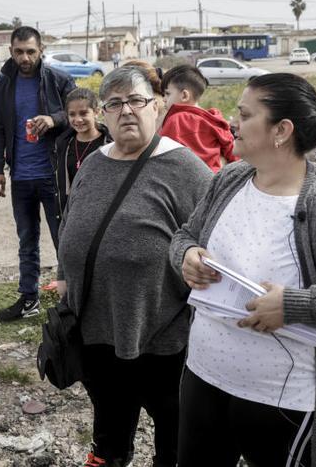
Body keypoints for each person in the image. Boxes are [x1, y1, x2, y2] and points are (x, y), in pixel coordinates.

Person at [170, 73, 316, 467]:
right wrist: (187, 255)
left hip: (281, 399)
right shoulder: (228, 179)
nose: (231, 124)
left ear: (282, 130)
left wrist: (293, 306)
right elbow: (185, 234)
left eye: (244, 114)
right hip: (204, 376)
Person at [56, 66, 212, 467]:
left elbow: (213, 242)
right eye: (115, 103)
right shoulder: (93, 163)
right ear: (103, 114)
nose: (126, 110)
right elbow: (72, 223)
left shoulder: (185, 168)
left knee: (174, 434)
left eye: (136, 100)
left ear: (157, 107)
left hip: (163, 337)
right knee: (109, 430)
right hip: (96, 330)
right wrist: (62, 277)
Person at [0, 26, 76, 322]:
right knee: (26, 240)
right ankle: (29, 299)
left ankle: (73, 300)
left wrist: (54, 119)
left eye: (30, 52)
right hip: (21, 177)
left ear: (41, 51)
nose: (24, 58)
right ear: (11, 51)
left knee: (63, 239)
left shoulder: (58, 80)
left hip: (52, 174)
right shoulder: (3, 83)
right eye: (18, 52)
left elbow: (80, 114)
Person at [160, 64, 237, 172]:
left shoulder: (176, 120)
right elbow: (233, 153)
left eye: (167, 94)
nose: (164, 99)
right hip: (215, 180)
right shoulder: (215, 120)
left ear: (184, 96)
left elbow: (161, 154)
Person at [51, 87, 112, 216]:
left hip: (101, 213)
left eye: (83, 113)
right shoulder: (63, 143)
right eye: (72, 114)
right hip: (71, 213)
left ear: (96, 112)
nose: (78, 119)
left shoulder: (110, 143)